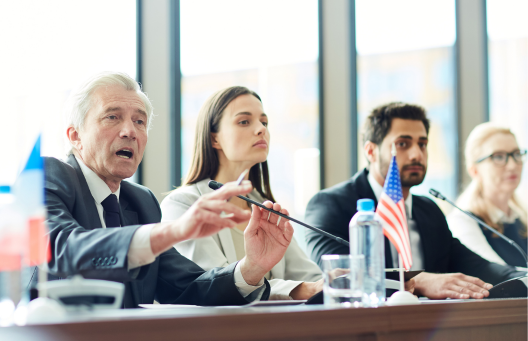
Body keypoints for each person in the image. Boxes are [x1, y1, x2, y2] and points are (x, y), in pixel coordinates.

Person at [41, 72, 294, 308]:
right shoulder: (49, 176)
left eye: (139, 121)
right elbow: (61, 247)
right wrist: (175, 230)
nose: (130, 131)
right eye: (112, 117)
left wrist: (252, 267)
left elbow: (187, 288)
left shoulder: (141, 201)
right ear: (75, 136)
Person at [305, 102, 522, 300]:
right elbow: (340, 275)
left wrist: (522, 277)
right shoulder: (329, 205)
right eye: (402, 144)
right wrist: (418, 281)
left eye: (422, 144)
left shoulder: (428, 209)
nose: (416, 154)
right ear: (371, 151)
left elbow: (476, 265)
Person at [160, 86, 323, 300]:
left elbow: (309, 277)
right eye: (244, 121)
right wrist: (296, 289)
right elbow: (212, 285)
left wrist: (334, 279)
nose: (261, 129)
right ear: (214, 139)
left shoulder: (266, 206)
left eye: (264, 122)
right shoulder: (183, 205)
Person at [447, 123, 527, 268]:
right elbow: (499, 276)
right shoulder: (464, 221)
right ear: (474, 170)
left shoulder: (522, 218)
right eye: (498, 157)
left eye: (516, 154)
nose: (512, 165)